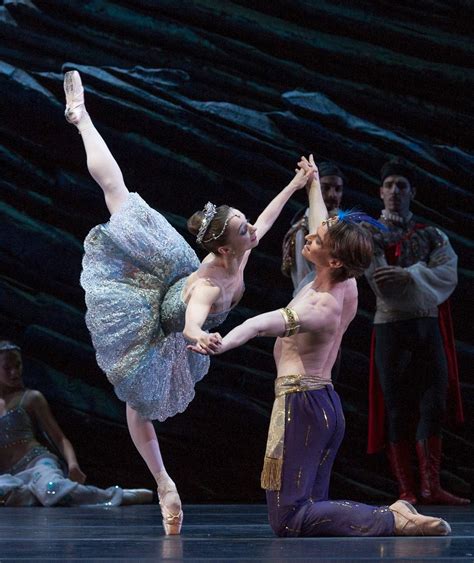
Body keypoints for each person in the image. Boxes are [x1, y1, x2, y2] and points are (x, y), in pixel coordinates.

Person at [63, 70, 311, 534]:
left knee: (120, 194)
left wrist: (296, 186)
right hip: (158, 317)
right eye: (242, 228)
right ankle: (80, 118)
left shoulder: (240, 250)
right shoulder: (211, 285)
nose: (251, 231)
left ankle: (163, 483)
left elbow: (266, 221)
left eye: (244, 223)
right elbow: (195, 315)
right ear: (223, 248)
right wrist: (197, 334)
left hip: (172, 279)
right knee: (117, 193)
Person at [191, 155, 451, 538]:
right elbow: (322, 224)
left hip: (303, 407)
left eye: (316, 239)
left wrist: (220, 342)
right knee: (308, 513)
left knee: (290, 519)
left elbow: (260, 324)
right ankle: (391, 516)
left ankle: (391, 517)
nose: (310, 236)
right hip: (321, 406)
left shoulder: (321, 305)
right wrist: (311, 182)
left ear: (330, 257)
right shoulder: (341, 280)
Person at [365, 158, 468, 505]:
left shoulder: (431, 234)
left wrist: (411, 274)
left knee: (433, 402)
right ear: (380, 191)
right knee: (396, 407)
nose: (395, 191)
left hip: (426, 326)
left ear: (412, 192)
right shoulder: (369, 234)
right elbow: (382, 285)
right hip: (391, 328)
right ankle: (407, 489)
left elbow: (446, 276)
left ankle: (430, 486)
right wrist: (420, 277)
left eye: (402, 186)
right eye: (390, 185)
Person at [0, 341, 152, 507]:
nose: (14, 372)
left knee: (53, 489)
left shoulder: (31, 398)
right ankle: (38, 494)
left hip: (37, 464)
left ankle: (117, 495)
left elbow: (60, 439)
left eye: (18, 365)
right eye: (7, 368)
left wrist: (73, 465)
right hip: (11, 475)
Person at [281, 161, 344, 296]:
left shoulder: (345, 228)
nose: (332, 195)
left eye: (338, 189)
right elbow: (303, 280)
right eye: (325, 188)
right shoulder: (301, 230)